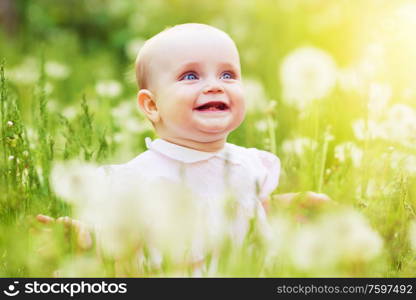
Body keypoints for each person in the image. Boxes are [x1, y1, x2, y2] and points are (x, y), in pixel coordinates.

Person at [37, 23, 330, 272]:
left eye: (228, 75)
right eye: (190, 76)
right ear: (151, 105)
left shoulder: (250, 164)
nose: (215, 85)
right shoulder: (141, 177)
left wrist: (286, 205)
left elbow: (252, 210)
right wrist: (83, 237)